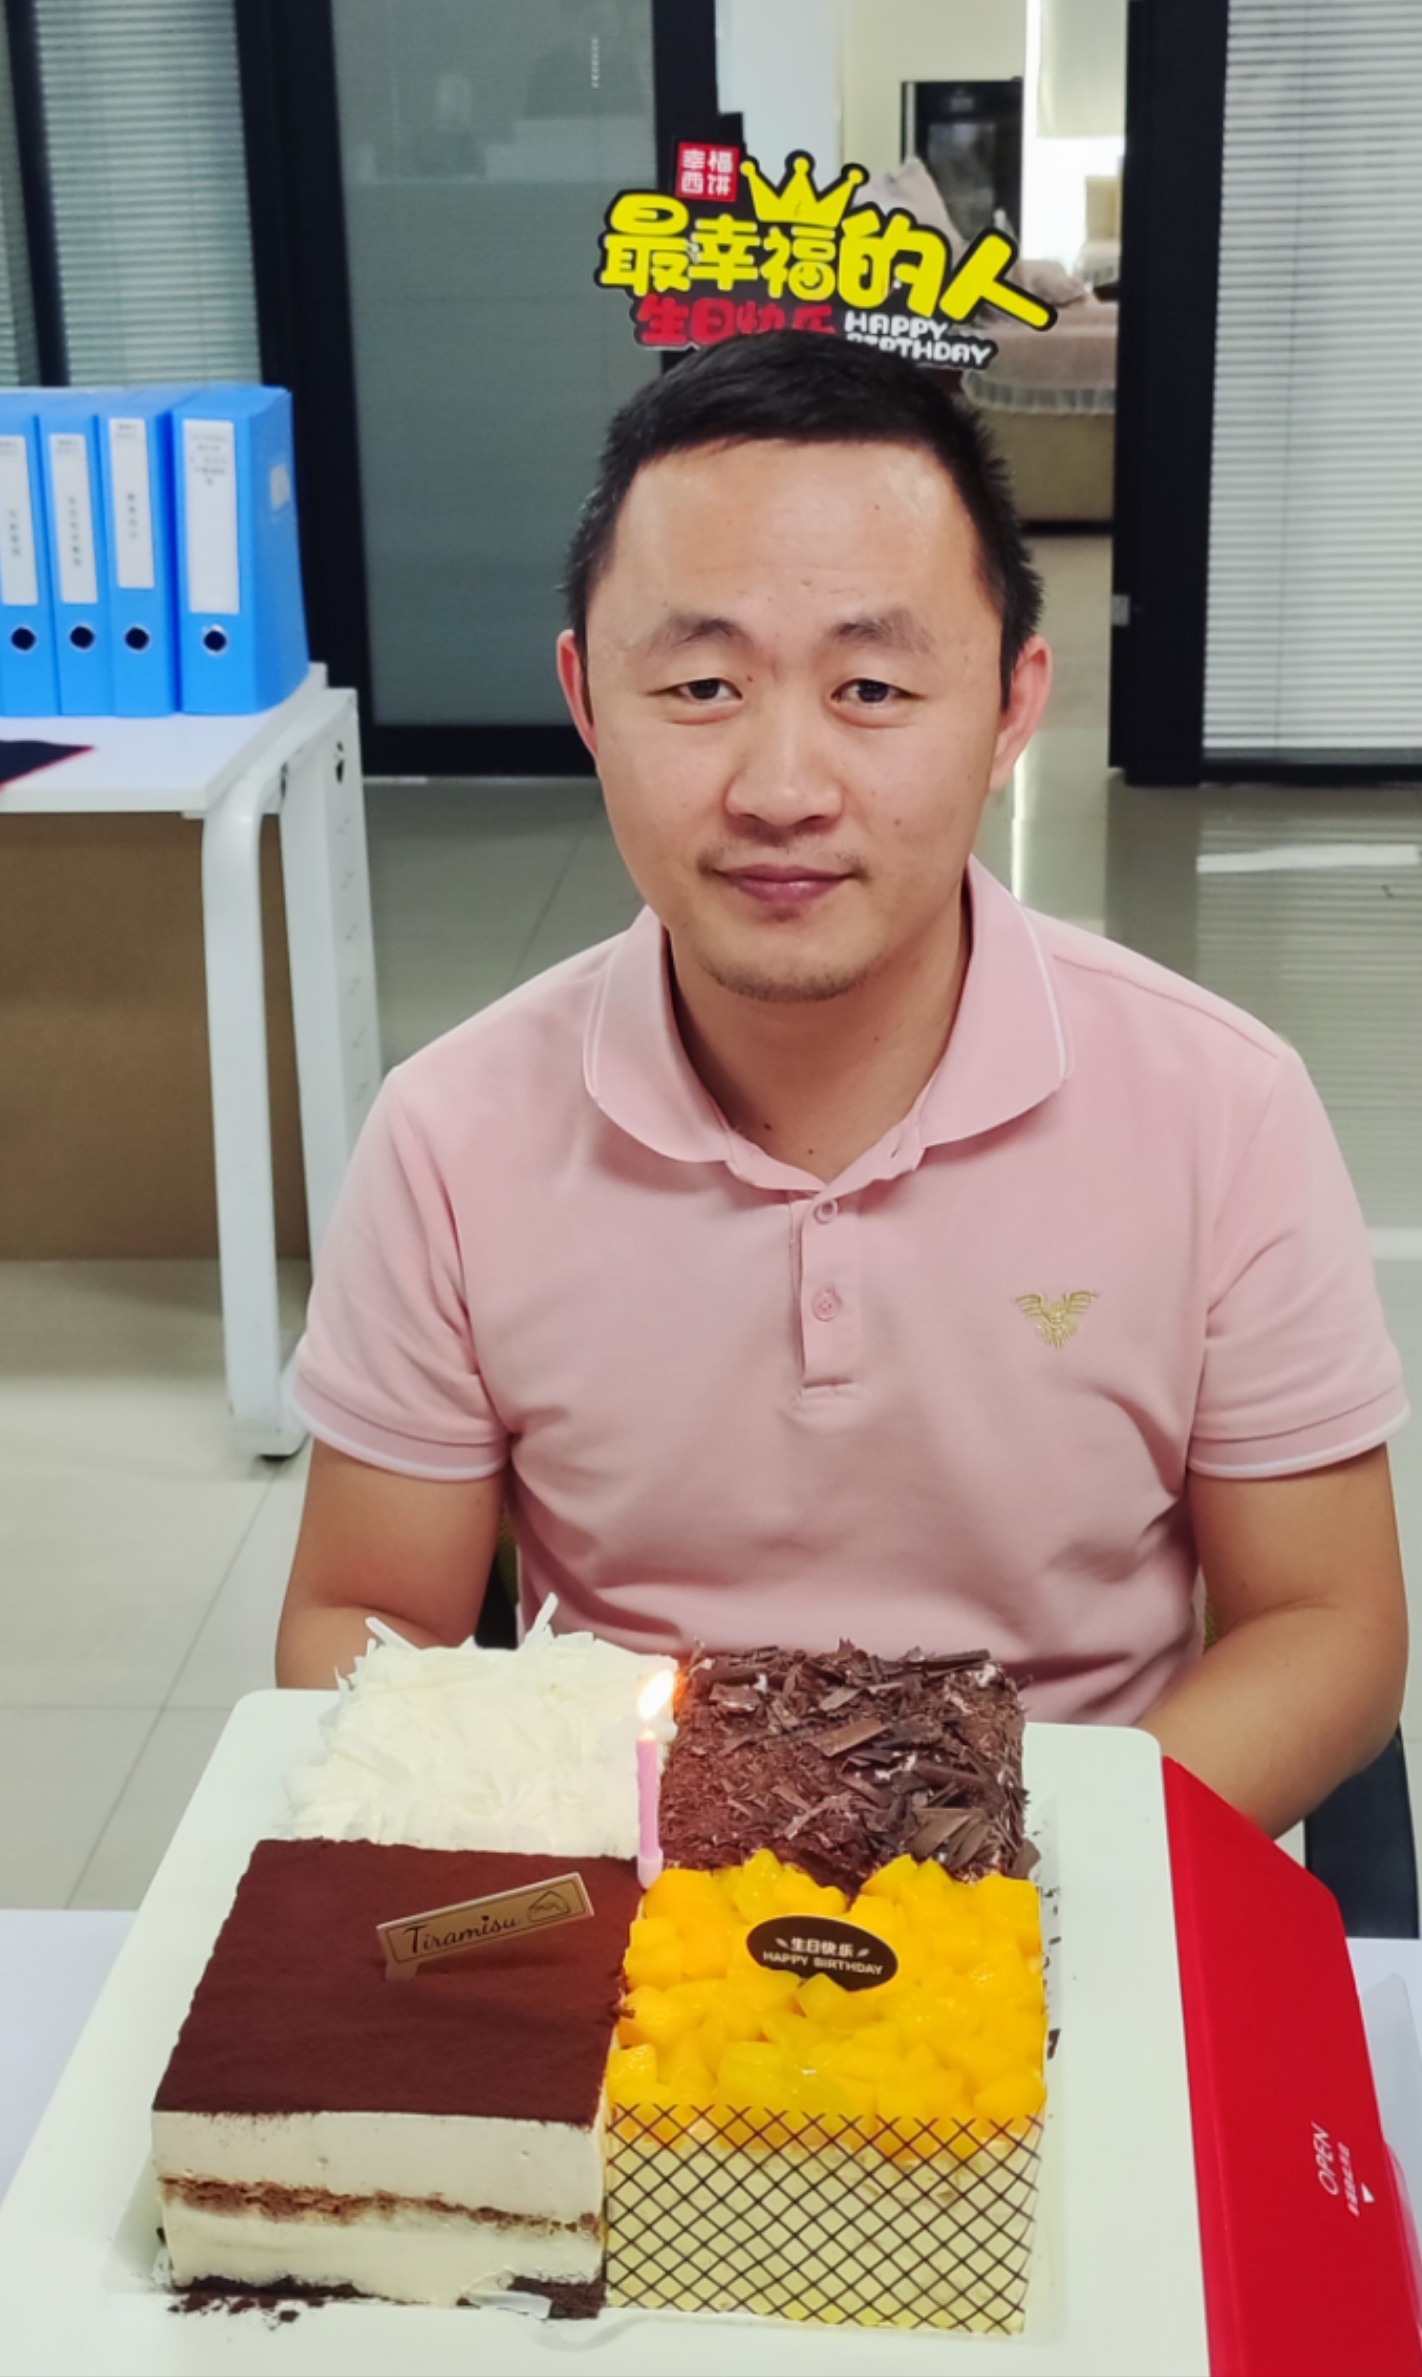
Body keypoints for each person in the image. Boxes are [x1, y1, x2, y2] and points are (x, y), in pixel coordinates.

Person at [277, 332, 1409, 1839]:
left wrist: (1015, 1881)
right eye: (700, 684)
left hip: (1078, 1864)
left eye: (872, 686)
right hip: (630, 1881)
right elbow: (362, 1619)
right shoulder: (449, 1137)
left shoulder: (1222, 1110)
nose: (782, 789)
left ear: (1011, 706)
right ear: (586, 697)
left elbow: (1328, 1624)